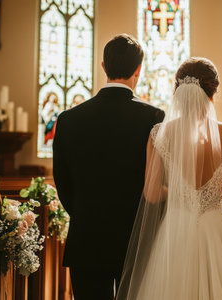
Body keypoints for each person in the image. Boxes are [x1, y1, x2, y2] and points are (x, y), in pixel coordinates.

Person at [117, 57, 222, 299]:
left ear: (178, 91)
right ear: (213, 92)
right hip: (218, 230)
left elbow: (151, 194)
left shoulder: (158, 134)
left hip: (176, 231)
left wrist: (180, 192)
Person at [53, 34, 165, 299]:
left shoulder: (68, 119)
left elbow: (63, 183)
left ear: (103, 66)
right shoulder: (153, 117)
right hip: (137, 241)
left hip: (87, 239)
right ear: (139, 69)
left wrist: (85, 213)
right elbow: (157, 179)